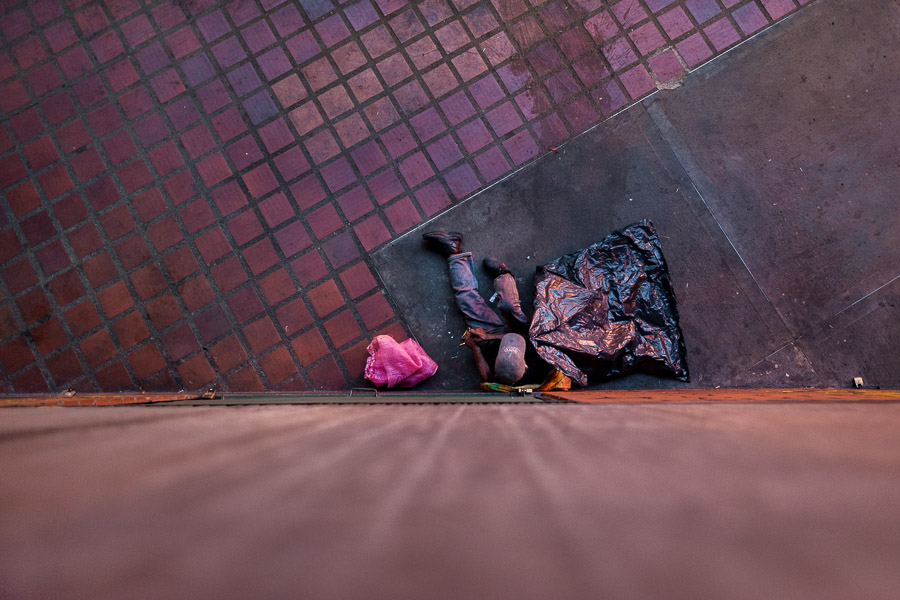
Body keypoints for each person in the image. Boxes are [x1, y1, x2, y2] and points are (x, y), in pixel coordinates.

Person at [422, 230, 545, 386]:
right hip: (521, 335)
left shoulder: (521, 378)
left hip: (494, 339)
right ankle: (504, 273)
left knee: (466, 300)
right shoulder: (544, 357)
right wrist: (488, 337)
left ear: (525, 366)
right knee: (508, 305)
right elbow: (524, 336)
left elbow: (487, 378)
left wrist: (476, 348)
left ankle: (453, 250)